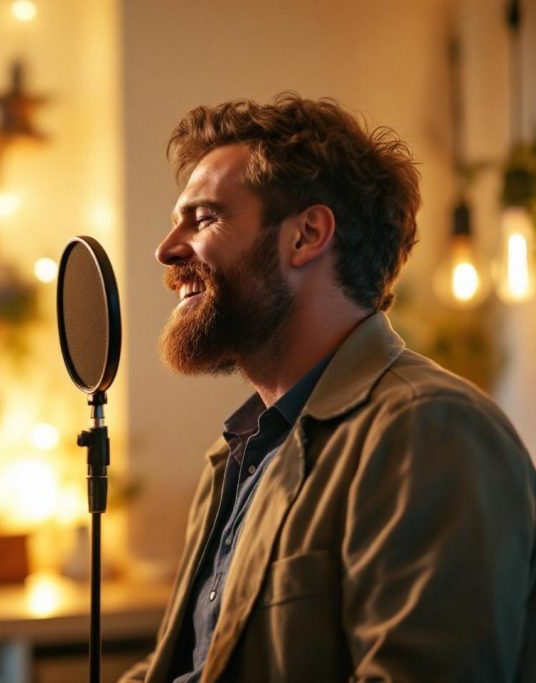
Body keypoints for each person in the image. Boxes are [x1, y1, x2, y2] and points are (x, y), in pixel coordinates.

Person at [121, 94, 536, 682]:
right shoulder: (237, 457)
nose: (166, 250)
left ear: (307, 235)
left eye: (204, 217)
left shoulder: (426, 428)